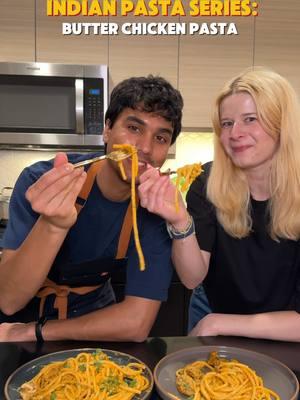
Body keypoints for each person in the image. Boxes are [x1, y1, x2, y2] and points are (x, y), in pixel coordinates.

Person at [0, 75, 183, 342]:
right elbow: (8, 300)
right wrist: (52, 225)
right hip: (16, 324)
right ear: (107, 129)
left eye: (161, 137)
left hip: (94, 323)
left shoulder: (155, 209)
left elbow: (137, 323)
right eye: (134, 128)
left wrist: (35, 332)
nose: (145, 147)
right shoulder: (42, 180)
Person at [138, 67, 300, 342]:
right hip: (215, 312)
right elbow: (192, 278)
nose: (235, 133)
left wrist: (221, 323)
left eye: (250, 119)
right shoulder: (207, 181)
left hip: (283, 331)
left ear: (282, 123)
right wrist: (180, 222)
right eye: (226, 123)